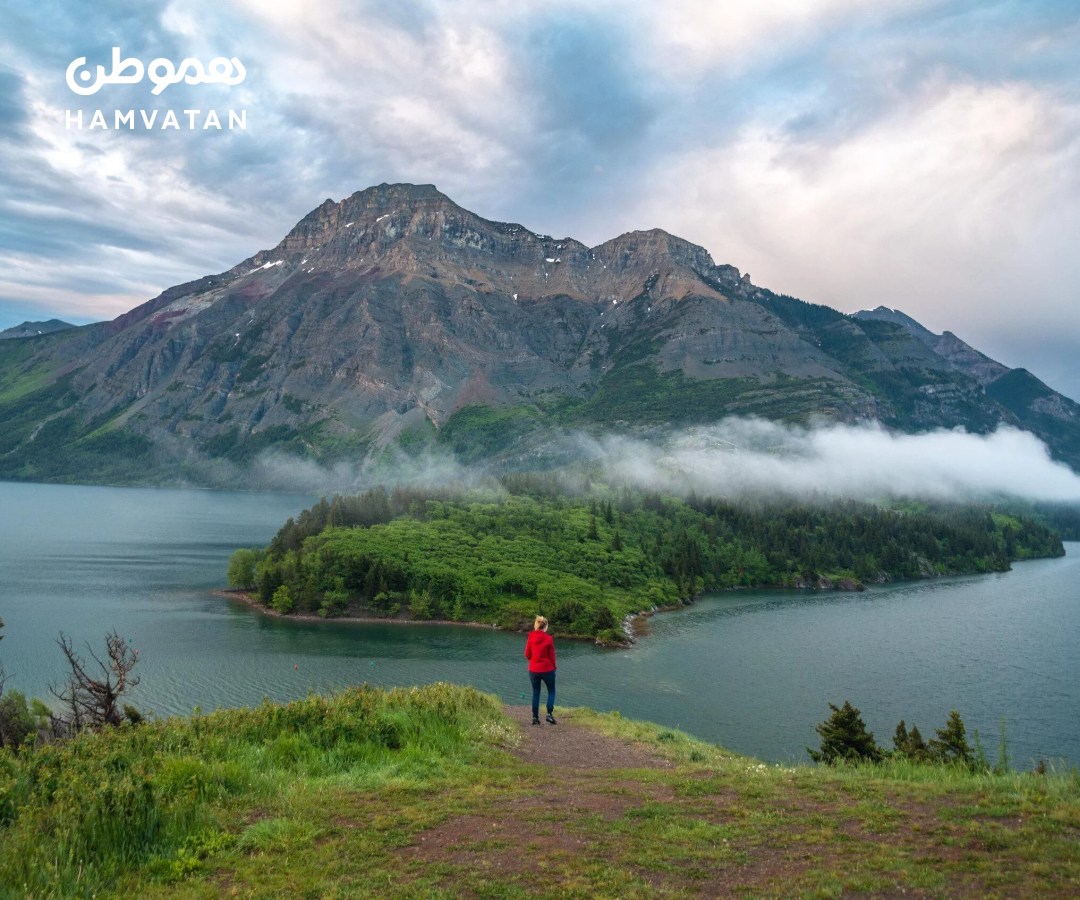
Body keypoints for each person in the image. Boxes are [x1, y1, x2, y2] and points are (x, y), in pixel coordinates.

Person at [524, 615, 557, 725]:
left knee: (536, 693)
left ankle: (535, 717)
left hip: (533, 669)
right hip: (547, 669)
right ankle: (549, 714)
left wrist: (534, 661)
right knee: (551, 690)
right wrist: (554, 667)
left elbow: (527, 654)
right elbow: (552, 656)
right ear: (545, 626)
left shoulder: (530, 637)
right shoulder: (548, 639)